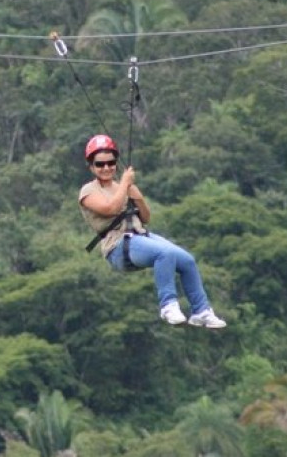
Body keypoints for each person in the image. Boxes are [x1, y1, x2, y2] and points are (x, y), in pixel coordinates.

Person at [78, 134, 226, 328]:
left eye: (110, 162)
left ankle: (201, 311)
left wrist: (137, 196)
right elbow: (110, 209)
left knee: (186, 260)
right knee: (164, 253)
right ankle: (168, 306)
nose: (106, 168)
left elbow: (145, 217)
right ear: (91, 166)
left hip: (138, 236)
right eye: (100, 164)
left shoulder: (123, 186)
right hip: (117, 246)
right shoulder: (88, 191)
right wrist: (124, 184)